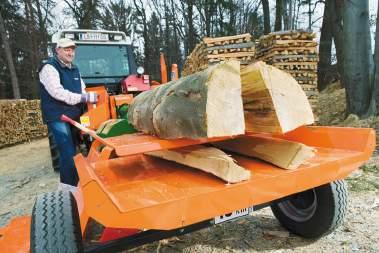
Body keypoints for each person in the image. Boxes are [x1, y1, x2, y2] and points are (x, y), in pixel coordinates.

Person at [39, 38, 97, 189]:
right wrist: (83, 98)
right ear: (57, 50)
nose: (70, 52)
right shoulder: (49, 68)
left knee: (76, 151)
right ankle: (68, 189)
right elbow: (57, 93)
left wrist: (88, 98)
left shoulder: (74, 69)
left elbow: (81, 88)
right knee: (67, 152)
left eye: (72, 49)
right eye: (66, 49)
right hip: (58, 116)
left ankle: (77, 182)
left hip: (73, 114)